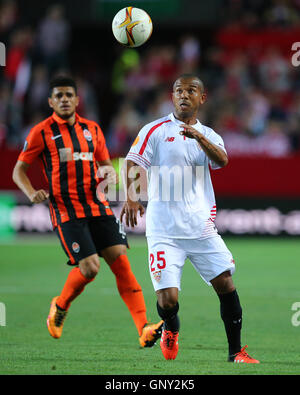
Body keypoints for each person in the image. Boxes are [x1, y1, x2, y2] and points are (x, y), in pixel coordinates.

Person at [12, 75, 163, 347]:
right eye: (58, 96)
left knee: (122, 264)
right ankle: (60, 305)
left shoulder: (92, 129)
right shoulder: (41, 132)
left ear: (77, 100)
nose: (64, 100)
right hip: (67, 211)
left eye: (69, 95)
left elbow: (105, 164)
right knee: (91, 267)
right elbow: (18, 170)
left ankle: (144, 328)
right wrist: (31, 192)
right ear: (50, 102)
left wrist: (109, 174)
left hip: (99, 206)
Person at [120, 74, 259, 363]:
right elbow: (133, 161)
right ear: (172, 97)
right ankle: (171, 328)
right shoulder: (155, 130)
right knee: (167, 300)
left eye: (191, 90)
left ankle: (236, 353)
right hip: (164, 231)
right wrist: (132, 196)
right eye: (179, 91)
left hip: (201, 229)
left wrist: (198, 137)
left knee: (226, 284)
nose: (184, 95)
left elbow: (222, 160)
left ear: (201, 98)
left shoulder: (209, 134)